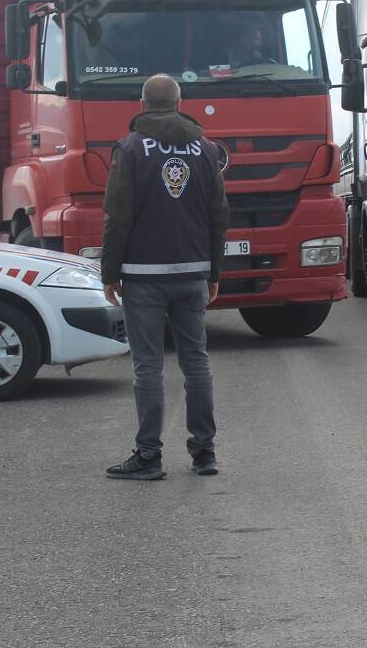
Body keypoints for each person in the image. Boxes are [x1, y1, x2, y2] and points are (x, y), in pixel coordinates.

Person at [101, 74, 229, 481]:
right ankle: (204, 452)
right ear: (179, 103)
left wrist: (110, 272)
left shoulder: (130, 149)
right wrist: (214, 270)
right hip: (193, 272)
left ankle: (149, 456)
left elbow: (117, 216)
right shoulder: (206, 150)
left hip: (143, 275)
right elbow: (218, 215)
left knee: (148, 366)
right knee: (196, 362)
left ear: (142, 105)